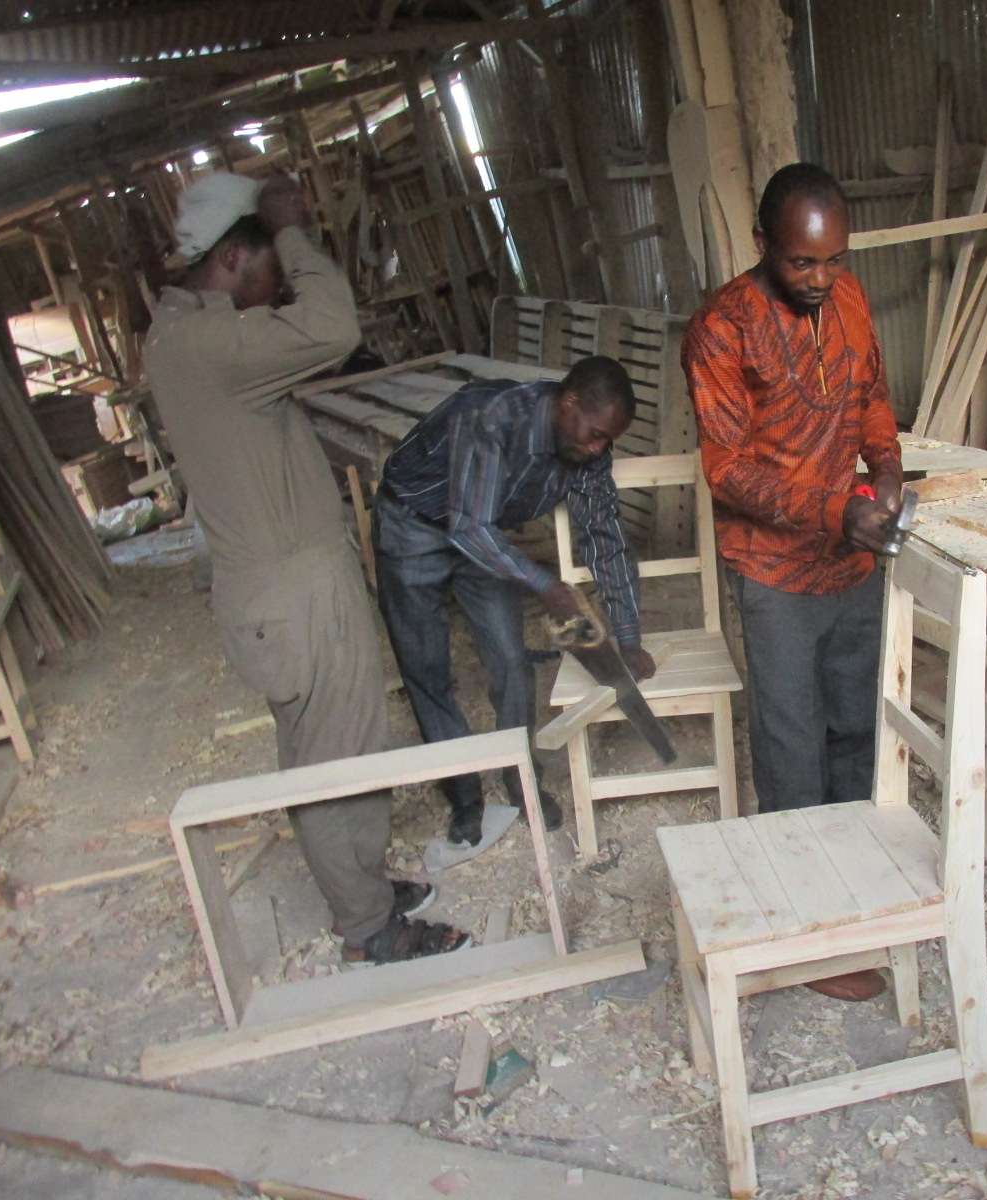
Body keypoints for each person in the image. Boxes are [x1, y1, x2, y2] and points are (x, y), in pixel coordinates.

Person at [144, 171, 468, 966]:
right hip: (293, 590)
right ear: (232, 255)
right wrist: (293, 228)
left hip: (279, 586)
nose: (276, 284)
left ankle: (359, 891)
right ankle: (369, 932)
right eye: (267, 266)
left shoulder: (183, 334)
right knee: (335, 756)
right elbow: (332, 326)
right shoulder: (209, 343)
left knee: (328, 749)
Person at [682, 162, 903, 1002]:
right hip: (773, 570)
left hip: (852, 558)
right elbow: (728, 470)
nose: (819, 279)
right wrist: (829, 508)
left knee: (854, 732)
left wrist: (885, 468)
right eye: (801, 262)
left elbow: (872, 396)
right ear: (763, 244)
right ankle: (803, 935)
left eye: (833, 260)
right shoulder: (721, 328)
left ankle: (848, 898)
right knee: (790, 748)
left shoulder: (845, 301)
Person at [373, 358, 657, 847]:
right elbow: (466, 524)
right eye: (594, 434)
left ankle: (519, 777)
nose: (598, 448)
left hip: (486, 531)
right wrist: (544, 584)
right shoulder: (493, 417)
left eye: (608, 440)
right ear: (567, 403)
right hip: (413, 523)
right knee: (427, 668)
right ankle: (464, 796)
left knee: (509, 658)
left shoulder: (590, 452)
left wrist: (627, 638)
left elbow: (604, 540)